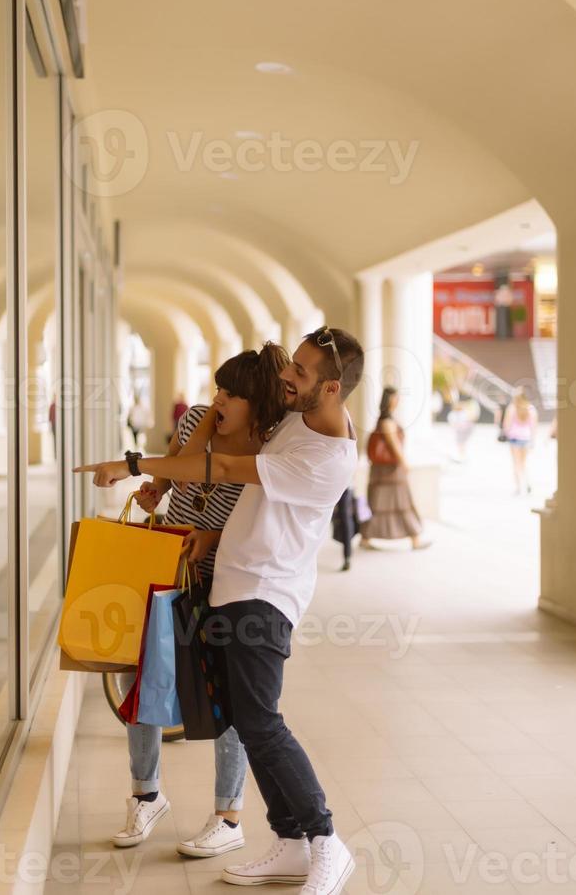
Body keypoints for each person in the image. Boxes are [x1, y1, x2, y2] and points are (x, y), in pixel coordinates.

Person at [75, 326, 365, 895]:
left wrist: (132, 463)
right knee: (247, 722)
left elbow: (228, 470)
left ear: (331, 389)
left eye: (301, 373)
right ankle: (289, 842)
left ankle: (326, 841)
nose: (289, 377)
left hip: (266, 593)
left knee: (262, 722)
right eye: (293, 366)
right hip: (234, 584)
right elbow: (221, 417)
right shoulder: (295, 416)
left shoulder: (325, 458)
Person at [112, 344, 290, 856]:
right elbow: (174, 468)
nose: (219, 400)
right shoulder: (195, 420)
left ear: (257, 403)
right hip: (170, 564)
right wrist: (156, 491)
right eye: (218, 389)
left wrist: (211, 538)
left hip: (223, 579)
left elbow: (257, 517)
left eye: (232, 394)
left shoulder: (266, 451)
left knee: (226, 692)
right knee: (140, 674)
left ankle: (228, 817)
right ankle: (146, 795)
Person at [360, 386, 431, 552]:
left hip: (382, 471)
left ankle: (366, 538)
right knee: (401, 502)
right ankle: (415, 539)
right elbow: (394, 445)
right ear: (389, 400)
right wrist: (404, 463)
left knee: (378, 502)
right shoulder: (387, 422)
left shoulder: (383, 420)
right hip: (391, 470)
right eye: (395, 398)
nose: (397, 401)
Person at [503, 385, 538, 494]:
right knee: (523, 463)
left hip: (514, 438)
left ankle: (518, 487)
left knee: (516, 463)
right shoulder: (531, 409)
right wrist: (532, 440)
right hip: (526, 438)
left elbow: (506, 424)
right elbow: (534, 426)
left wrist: (507, 434)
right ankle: (527, 482)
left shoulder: (512, 408)